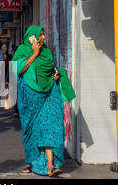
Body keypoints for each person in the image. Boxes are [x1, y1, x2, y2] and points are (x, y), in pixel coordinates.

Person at [12, 25, 75, 177]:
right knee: (32, 129)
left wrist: (54, 76)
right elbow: (19, 70)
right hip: (30, 98)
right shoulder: (23, 50)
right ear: (31, 36)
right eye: (40, 35)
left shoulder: (46, 51)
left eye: (43, 35)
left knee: (52, 126)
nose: (43, 38)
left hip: (49, 93)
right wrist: (34, 53)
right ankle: (31, 161)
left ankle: (51, 165)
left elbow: (48, 68)